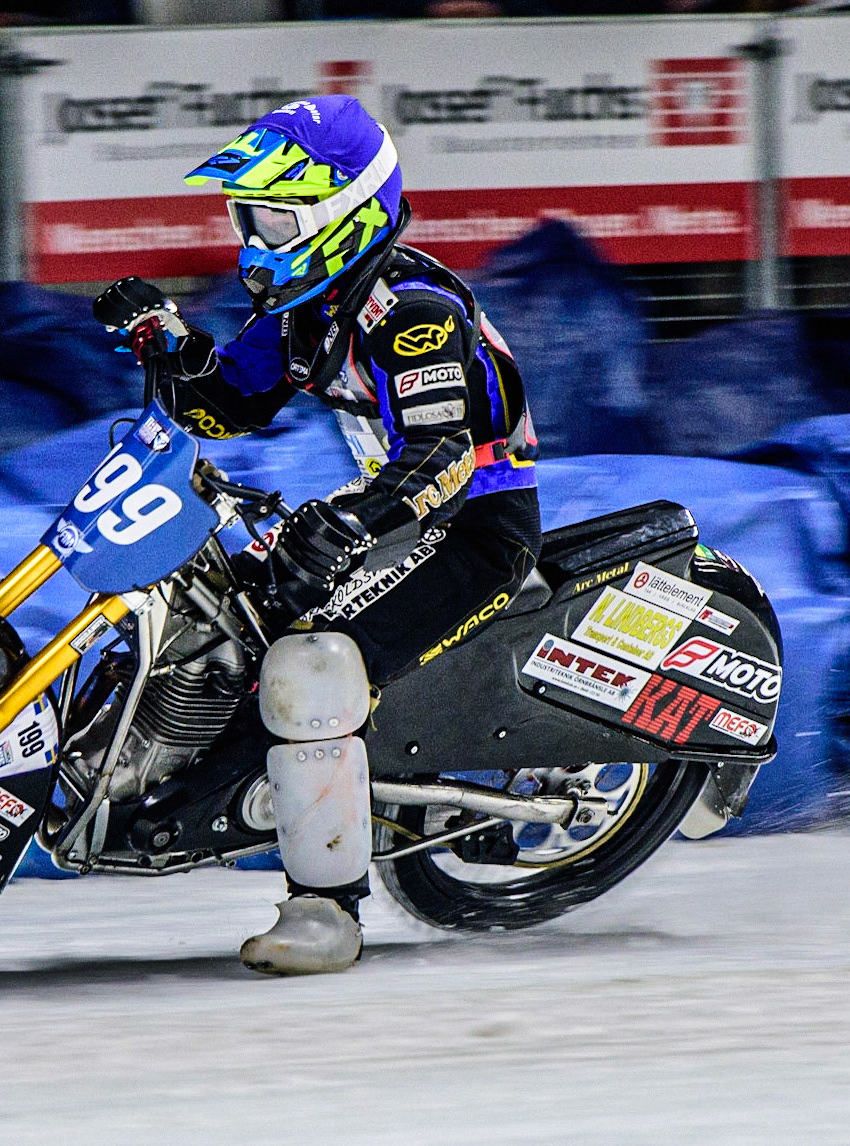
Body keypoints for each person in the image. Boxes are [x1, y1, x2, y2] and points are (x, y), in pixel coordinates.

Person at [94, 95, 541, 976]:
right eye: (246, 217)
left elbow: (443, 451)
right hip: (385, 509)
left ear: (346, 216)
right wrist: (165, 339)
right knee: (211, 608)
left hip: (474, 523)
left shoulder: (411, 313)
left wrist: (348, 522)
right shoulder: (305, 308)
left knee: (310, 666)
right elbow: (223, 408)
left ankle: (326, 910)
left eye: (273, 218)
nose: (253, 241)